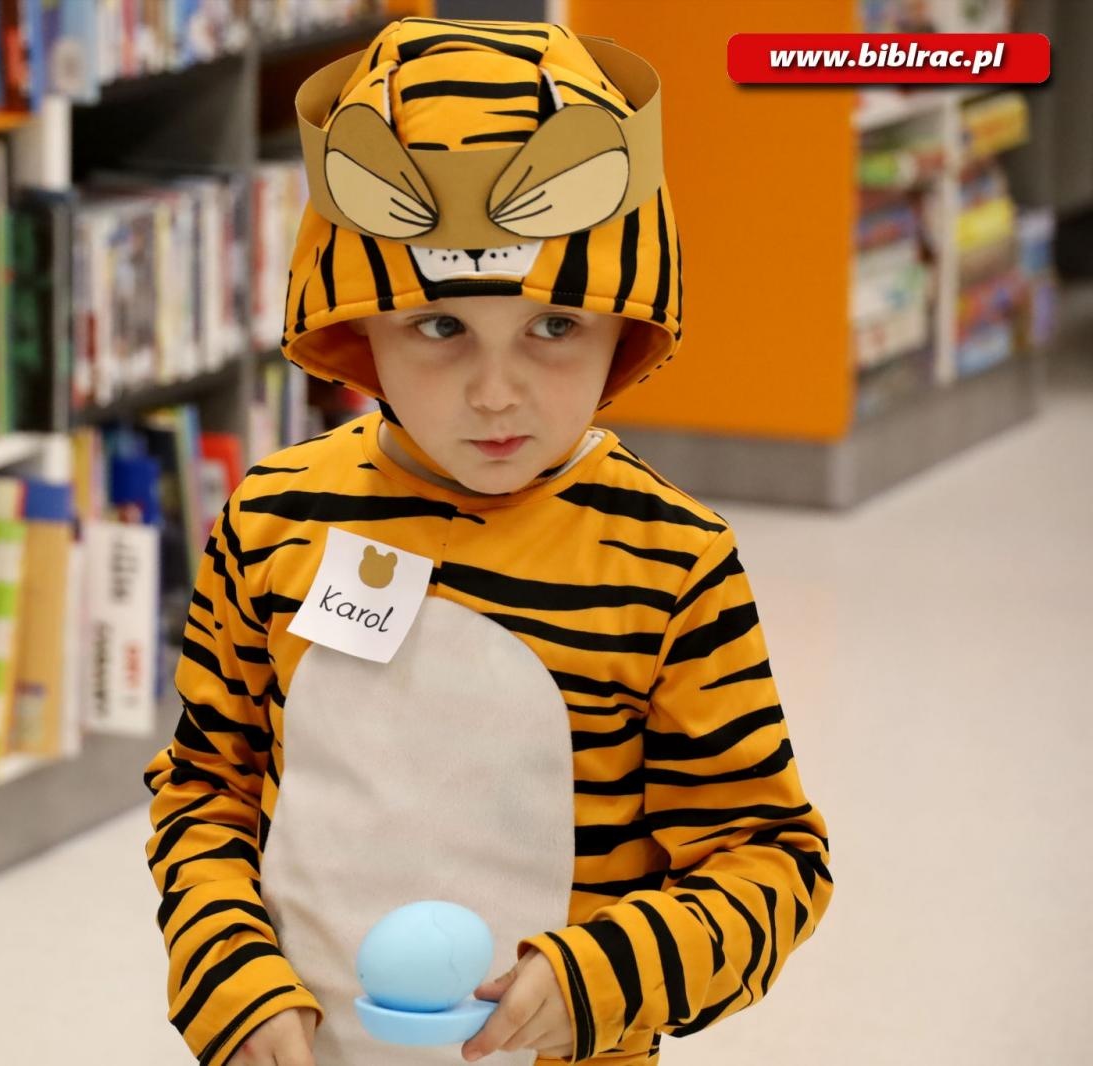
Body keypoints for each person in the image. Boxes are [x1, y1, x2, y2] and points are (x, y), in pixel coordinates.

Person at [144, 16, 832, 1065]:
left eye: (555, 328)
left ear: (627, 327)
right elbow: (206, 789)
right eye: (439, 326)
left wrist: (604, 970)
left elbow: (770, 861)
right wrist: (229, 972)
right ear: (355, 327)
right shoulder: (271, 522)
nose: (497, 393)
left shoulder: (672, 564)